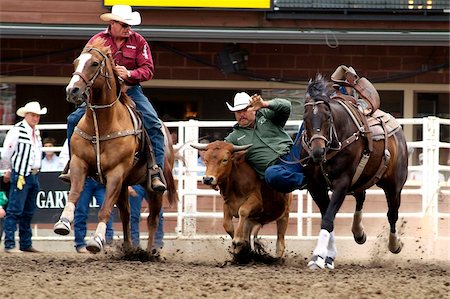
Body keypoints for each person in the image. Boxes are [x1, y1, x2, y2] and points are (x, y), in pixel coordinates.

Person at [59, 4, 166, 192]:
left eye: (129, 26)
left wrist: (130, 74)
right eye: (124, 25)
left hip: (130, 90)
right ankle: (72, 165)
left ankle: (155, 170)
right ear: (113, 24)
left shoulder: (138, 41)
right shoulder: (97, 41)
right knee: (73, 119)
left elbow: (148, 69)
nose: (128, 29)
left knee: (153, 123)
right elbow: (82, 65)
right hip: (100, 95)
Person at [225, 92, 306, 193]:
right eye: (238, 112)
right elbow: (219, 156)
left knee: (308, 122)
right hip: (276, 169)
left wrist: (265, 104)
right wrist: (217, 179)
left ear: (254, 108)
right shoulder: (233, 138)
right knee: (271, 174)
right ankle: (308, 181)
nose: (242, 114)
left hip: (293, 154)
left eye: (245, 110)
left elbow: (286, 106)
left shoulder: (266, 115)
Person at [0, 101, 47, 253]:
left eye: (37, 116)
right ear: (26, 115)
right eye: (33, 115)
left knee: (28, 211)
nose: (36, 118)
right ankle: (10, 244)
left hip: (32, 174)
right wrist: (9, 169)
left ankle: (25, 243)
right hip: (21, 174)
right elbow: (6, 153)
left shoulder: (35, 132)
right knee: (15, 209)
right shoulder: (17, 130)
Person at [128, 185, 164, 250]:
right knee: (134, 216)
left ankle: (157, 246)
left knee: (158, 213)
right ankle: (135, 245)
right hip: (137, 183)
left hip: (150, 184)